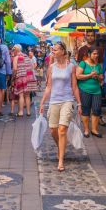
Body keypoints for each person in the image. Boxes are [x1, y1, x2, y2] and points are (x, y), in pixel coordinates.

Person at [39, 42, 82, 172]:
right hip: (54, 101)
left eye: (55, 50)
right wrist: (42, 102)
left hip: (67, 100)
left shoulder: (71, 67)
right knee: (53, 130)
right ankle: (61, 147)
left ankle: (61, 160)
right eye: (52, 50)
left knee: (62, 129)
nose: (53, 51)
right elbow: (48, 86)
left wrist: (79, 103)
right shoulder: (51, 67)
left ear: (63, 51)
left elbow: (74, 86)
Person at [76, 46, 104, 138]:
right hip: (84, 90)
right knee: (86, 110)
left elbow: (102, 78)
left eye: (97, 54)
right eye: (94, 54)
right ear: (89, 54)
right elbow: (78, 76)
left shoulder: (98, 65)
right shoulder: (83, 63)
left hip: (96, 91)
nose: (96, 56)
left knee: (96, 110)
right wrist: (90, 75)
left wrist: (98, 77)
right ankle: (86, 130)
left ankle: (94, 130)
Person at [12, 44, 37, 117]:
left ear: (16, 50)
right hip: (29, 77)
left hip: (21, 77)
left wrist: (13, 78)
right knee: (27, 95)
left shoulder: (16, 58)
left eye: (14, 50)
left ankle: (21, 112)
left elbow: (15, 69)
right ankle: (28, 112)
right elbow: (31, 67)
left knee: (21, 95)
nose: (13, 51)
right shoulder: (26, 57)